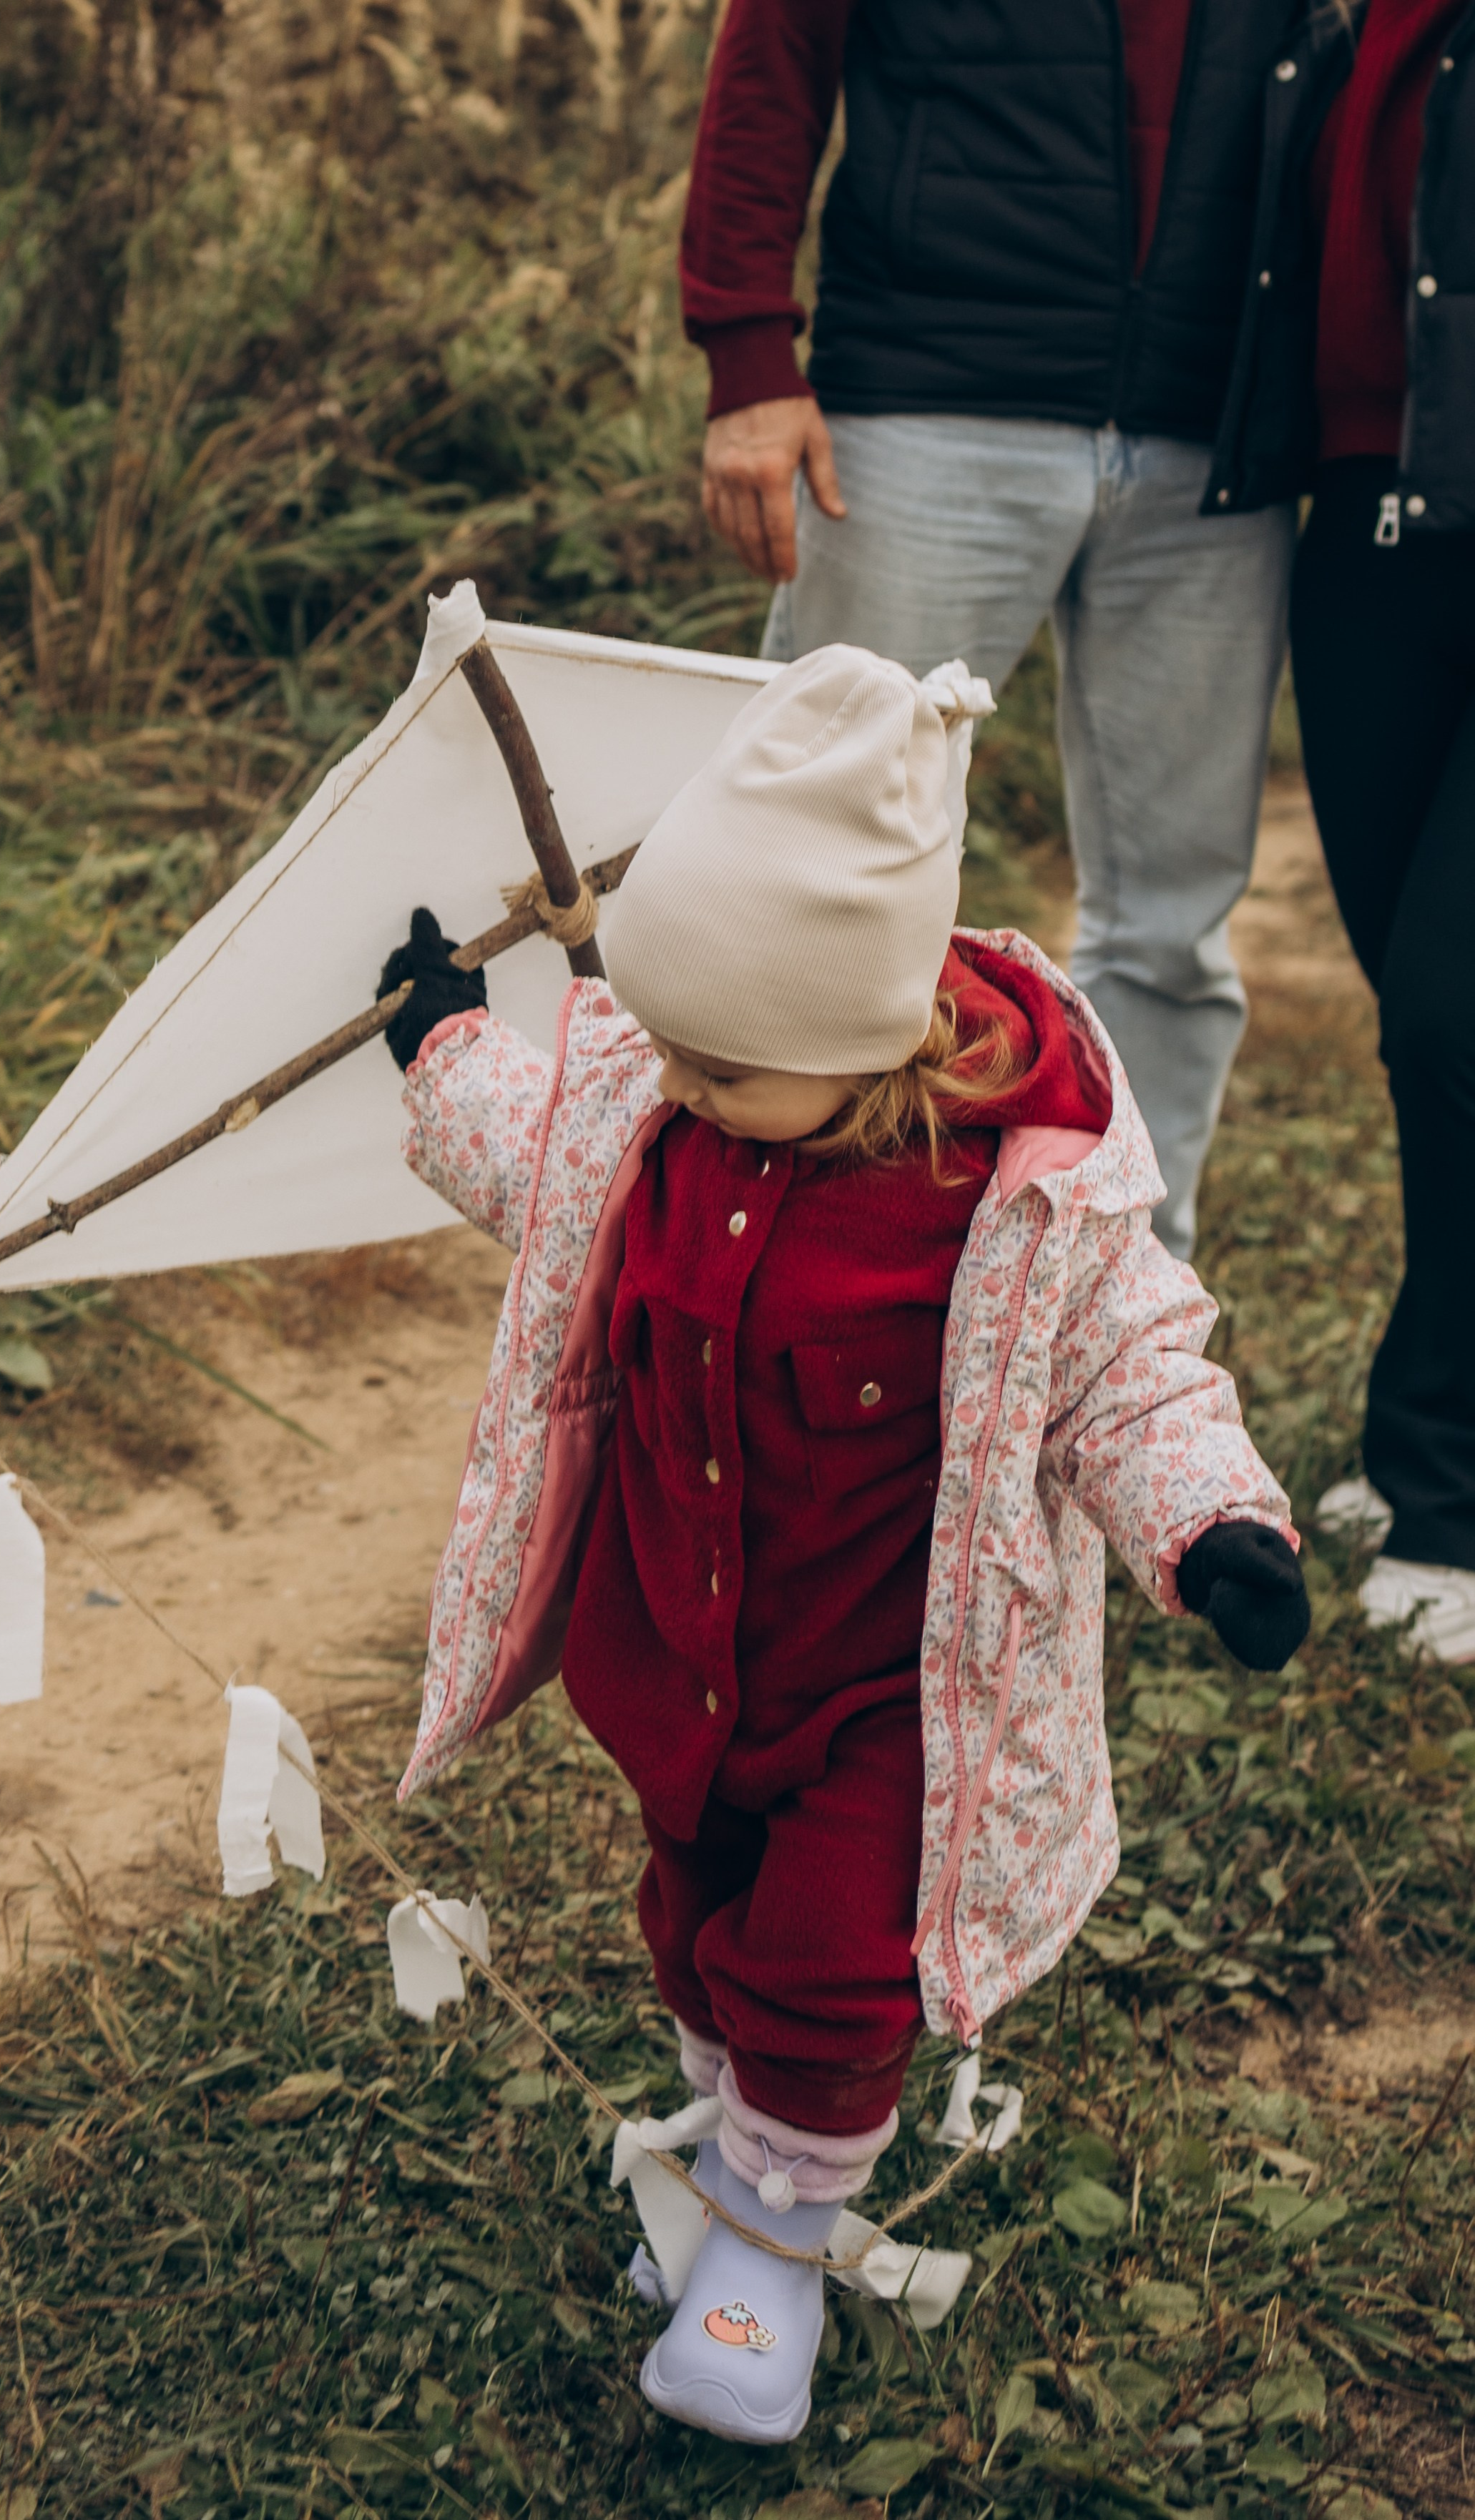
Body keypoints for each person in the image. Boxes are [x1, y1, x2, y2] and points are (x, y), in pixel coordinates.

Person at [377, 647, 1308, 2443]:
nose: (688, 1083)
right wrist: (443, 1048)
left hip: (885, 1687)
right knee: (697, 1922)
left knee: (823, 1955)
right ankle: (733, 2168)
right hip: (675, 1656)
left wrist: (1209, 1524)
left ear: (861, 1033)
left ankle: (766, 2262)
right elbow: (541, 1151)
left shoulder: (1004, 1201)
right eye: (679, 1050)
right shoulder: (672, 1092)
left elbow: (1129, 1365)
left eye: (730, 1063)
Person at [679, 0, 1309, 1261]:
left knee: (1169, 920)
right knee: (804, 866)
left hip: (1210, 427)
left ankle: (1115, 1297)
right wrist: (748, 354)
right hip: (925, 402)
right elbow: (777, 47)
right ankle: (774, 1278)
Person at [1206, 0, 1475, 1658]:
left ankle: (1444, 1494)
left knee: (1455, 1012)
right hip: (1369, 541)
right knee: (1417, 1021)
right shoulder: (1341, 13)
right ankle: (1429, 1398)